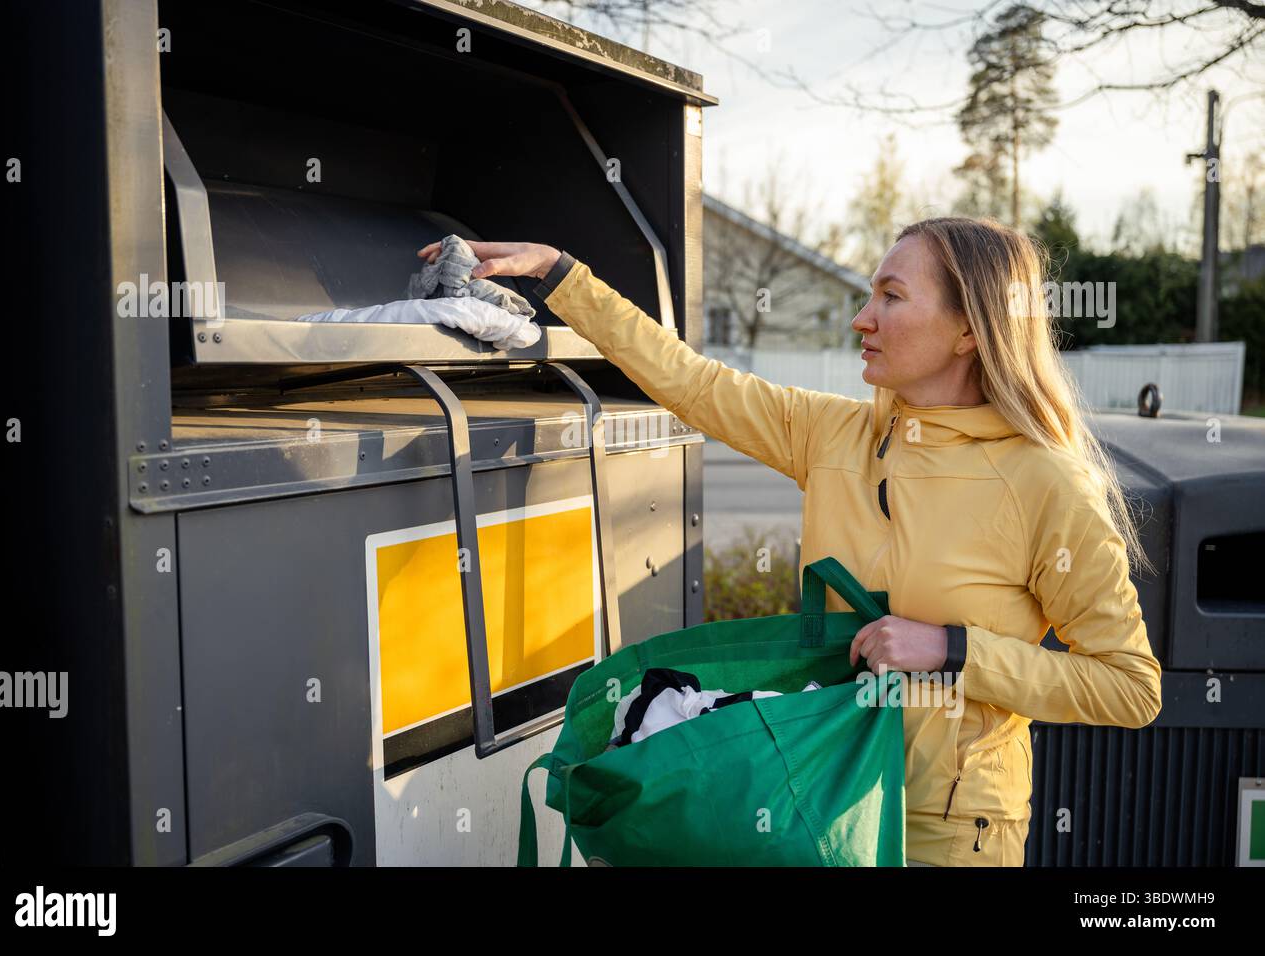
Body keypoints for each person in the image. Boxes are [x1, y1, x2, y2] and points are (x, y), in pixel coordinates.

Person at [418, 218, 1163, 867]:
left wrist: (954, 649)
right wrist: (562, 276)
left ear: (971, 330)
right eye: (871, 295)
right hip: (811, 797)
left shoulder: (1048, 483)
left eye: (892, 297)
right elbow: (690, 381)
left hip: (945, 831)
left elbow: (1130, 687)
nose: (861, 319)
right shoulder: (834, 434)